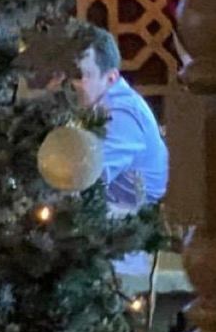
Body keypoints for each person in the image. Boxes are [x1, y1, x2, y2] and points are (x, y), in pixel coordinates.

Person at [72, 24, 168, 208]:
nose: (70, 83)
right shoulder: (91, 105)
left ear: (110, 78)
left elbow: (85, 180)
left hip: (137, 217)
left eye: (79, 75)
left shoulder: (122, 116)